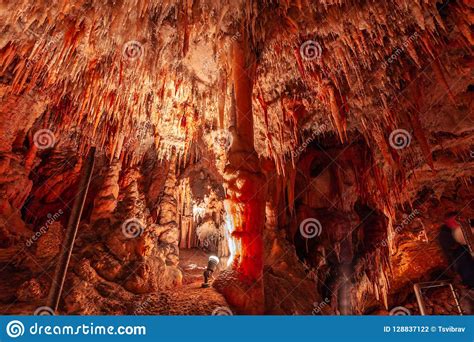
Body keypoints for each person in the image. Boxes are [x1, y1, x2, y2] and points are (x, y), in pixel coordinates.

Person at [438, 211, 474, 288]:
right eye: (454, 221)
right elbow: (452, 246)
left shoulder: (468, 223)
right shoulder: (444, 233)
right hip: (462, 258)